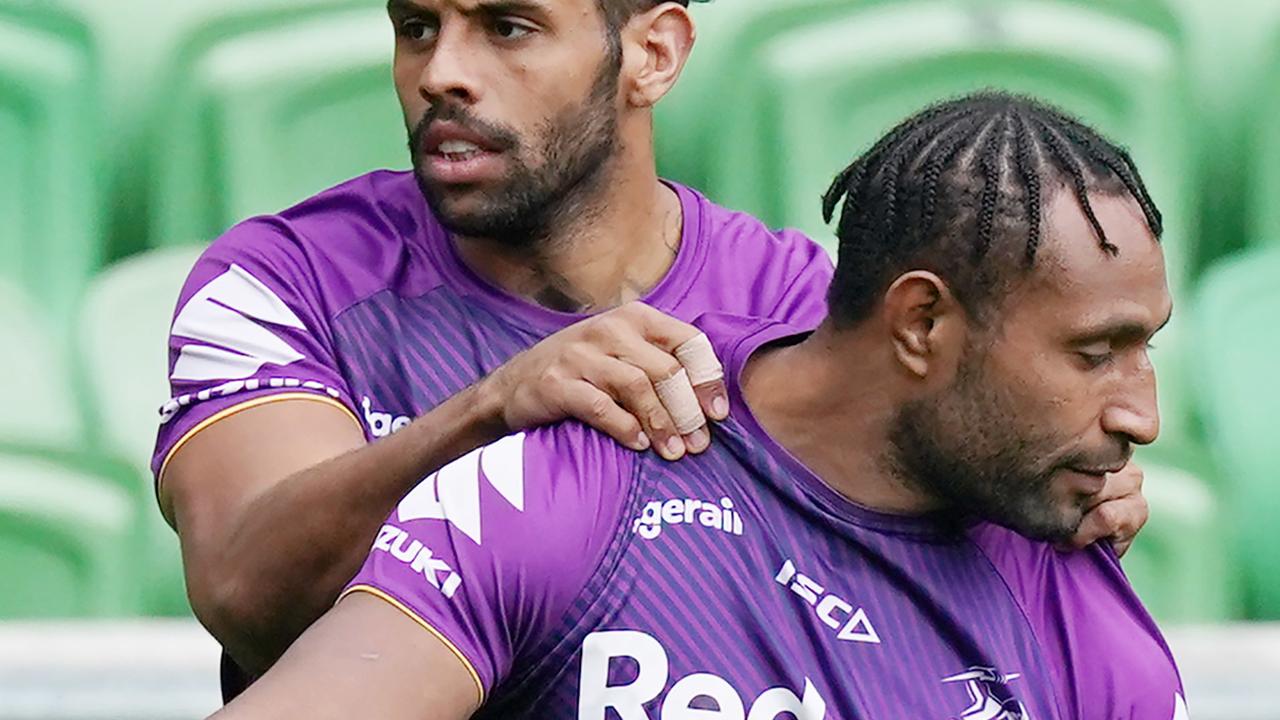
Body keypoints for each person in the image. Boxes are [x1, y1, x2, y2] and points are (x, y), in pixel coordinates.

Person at [155, 0, 1150, 701]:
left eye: (506, 25)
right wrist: (486, 411)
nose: (440, 72)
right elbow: (248, 599)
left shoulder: (803, 305)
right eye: (417, 26)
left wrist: (1043, 470)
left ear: (653, 53)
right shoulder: (285, 280)